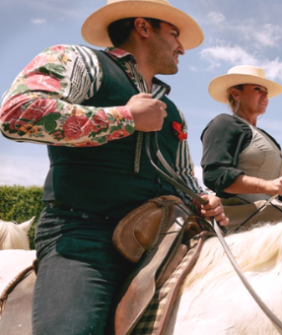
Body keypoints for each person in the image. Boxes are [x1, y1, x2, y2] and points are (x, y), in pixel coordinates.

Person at [0, 1, 228, 333]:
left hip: (163, 237)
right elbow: (17, 115)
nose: (182, 48)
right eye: (175, 34)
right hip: (82, 236)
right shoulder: (79, 60)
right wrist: (126, 118)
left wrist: (204, 199)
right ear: (143, 27)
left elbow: (181, 177)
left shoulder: (172, 108)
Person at [201, 65, 282, 229]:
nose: (265, 96)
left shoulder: (265, 136)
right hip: (237, 215)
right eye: (257, 89)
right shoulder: (224, 123)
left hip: (267, 212)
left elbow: (272, 192)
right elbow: (216, 176)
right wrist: (267, 186)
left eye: (266, 92)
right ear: (236, 94)